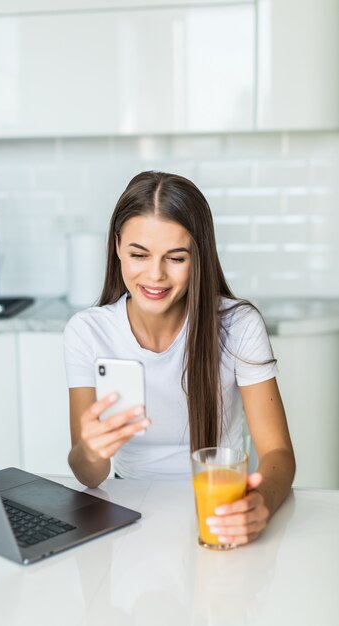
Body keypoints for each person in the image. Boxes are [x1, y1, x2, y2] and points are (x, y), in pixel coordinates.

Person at [63, 171, 295, 546]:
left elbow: (278, 453)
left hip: (219, 509)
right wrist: (90, 450)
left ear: (199, 256)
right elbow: (88, 475)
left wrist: (260, 505)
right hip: (129, 514)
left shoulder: (238, 325)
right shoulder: (87, 332)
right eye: (139, 254)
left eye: (176, 257)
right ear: (117, 246)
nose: (155, 275)